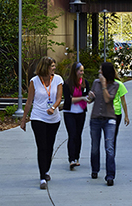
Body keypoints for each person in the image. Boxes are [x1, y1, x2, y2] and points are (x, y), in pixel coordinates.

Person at [20, 56, 63, 189]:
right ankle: (42, 177)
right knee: (42, 146)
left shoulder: (58, 79)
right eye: (52, 66)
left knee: (49, 146)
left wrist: (53, 108)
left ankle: (46, 169)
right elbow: (29, 101)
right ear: (45, 67)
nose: (54, 68)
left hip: (53, 118)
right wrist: (24, 119)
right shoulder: (34, 81)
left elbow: (59, 97)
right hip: (38, 117)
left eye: (54, 66)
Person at [87, 61, 118, 185]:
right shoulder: (95, 83)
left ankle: (110, 175)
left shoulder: (115, 85)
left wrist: (104, 85)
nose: (99, 72)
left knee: (109, 147)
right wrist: (90, 96)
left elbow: (107, 99)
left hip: (109, 119)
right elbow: (90, 100)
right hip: (95, 119)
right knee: (95, 147)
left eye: (101, 70)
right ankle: (95, 169)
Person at [62, 62, 90, 169]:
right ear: (75, 71)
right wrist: (82, 98)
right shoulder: (67, 84)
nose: (82, 73)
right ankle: (71, 159)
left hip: (81, 112)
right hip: (69, 112)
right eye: (80, 71)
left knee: (78, 135)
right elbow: (69, 100)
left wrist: (90, 97)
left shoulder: (85, 83)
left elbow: (87, 96)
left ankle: (77, 157)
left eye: (83, 71)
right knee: (72, 135)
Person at [113, 75, 130, 142]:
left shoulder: (119, 84)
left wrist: (126, 116)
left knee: (113, 136)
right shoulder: (102, 83)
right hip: (105, 112)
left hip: (116, 112)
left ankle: (111, 151)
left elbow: (123, 101)